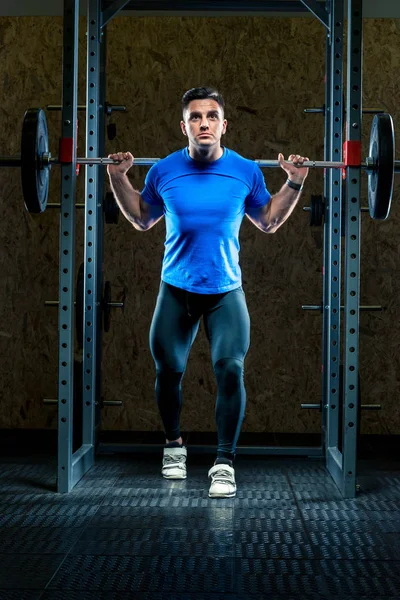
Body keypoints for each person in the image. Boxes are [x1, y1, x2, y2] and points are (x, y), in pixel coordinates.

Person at [107, 86, 309, 498]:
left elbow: (268, 221)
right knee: (168, 372)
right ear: (184, 126)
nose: (204, 123)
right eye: (196, 117)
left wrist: (295, 184)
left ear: (223, 125)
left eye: (211, 116)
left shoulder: (245, 171)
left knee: (230, 369)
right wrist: (116, 178)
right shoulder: (163, 170)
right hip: (176, 289)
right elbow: (142, 219)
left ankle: (223, 461)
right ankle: (174, 445)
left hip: (224, 292)